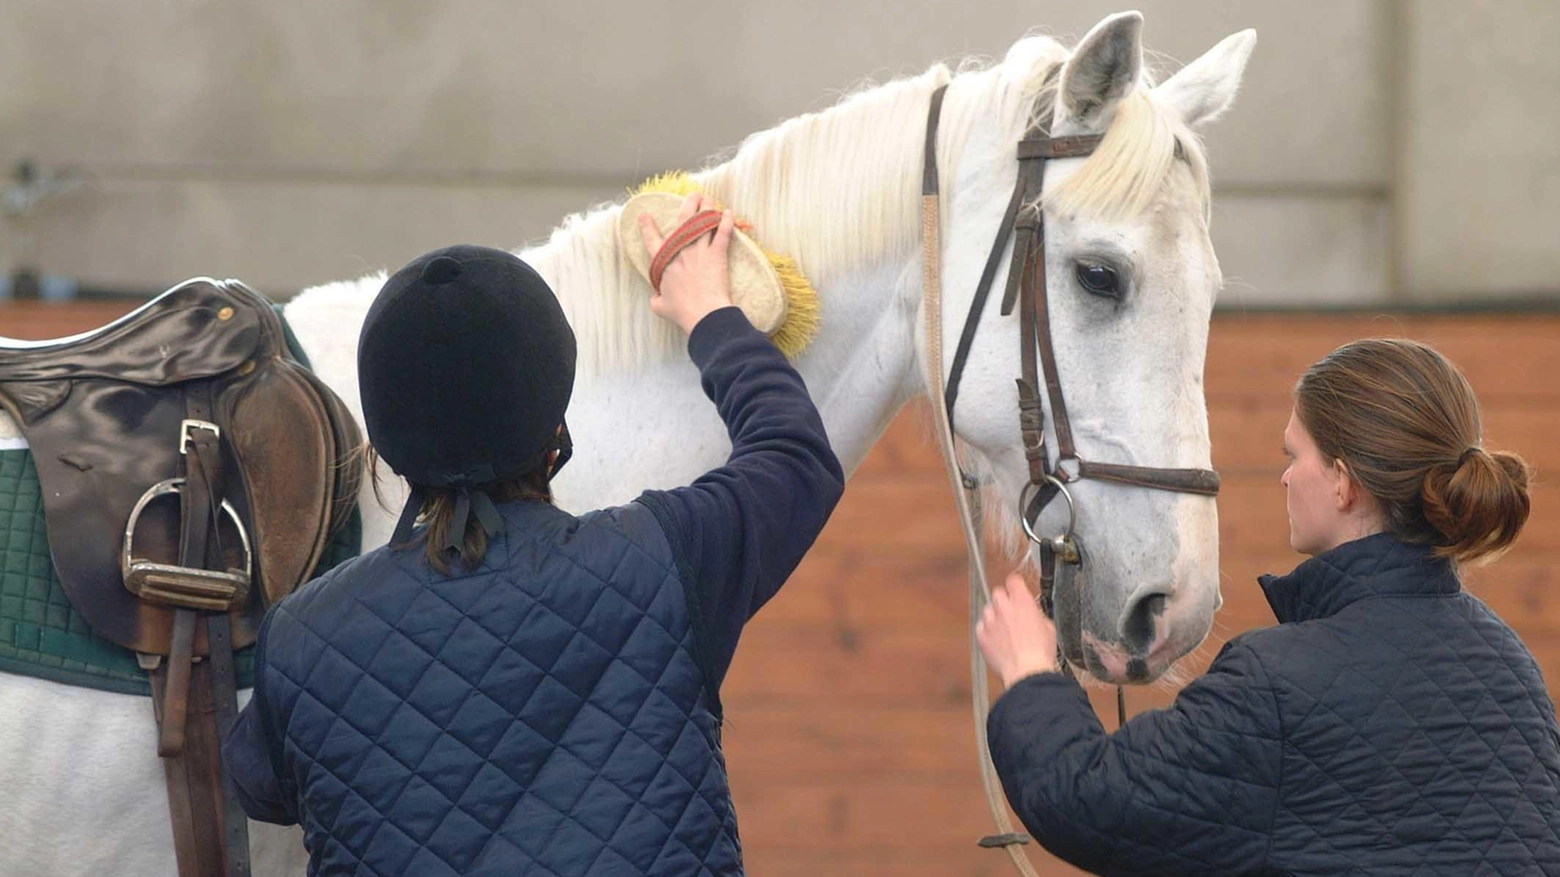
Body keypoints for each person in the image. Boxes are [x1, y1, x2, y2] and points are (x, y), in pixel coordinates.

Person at [221, 194, 845, 875]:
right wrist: (712, 316)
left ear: (387, 450)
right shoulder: (663, 556)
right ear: (554, 427)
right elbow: (795, 457)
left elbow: (258, 785)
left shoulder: (301, 638)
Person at [976, 338, 1560, 876]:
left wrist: (1030, 673)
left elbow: (1089, 801)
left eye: (1294, 455)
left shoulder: (1279, 684)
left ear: (1341, 481)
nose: (1284, 477)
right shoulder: (1511, 669)